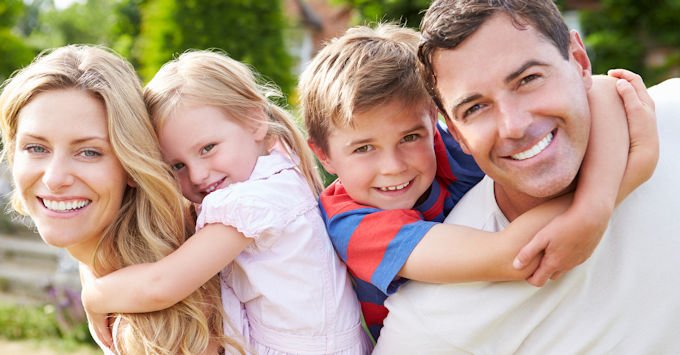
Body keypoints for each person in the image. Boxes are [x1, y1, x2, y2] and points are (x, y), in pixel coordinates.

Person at [297, 23, 647, 341]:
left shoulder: (444, 146)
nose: (393, 166)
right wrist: (619, 183)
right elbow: (514, 257)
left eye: (410, 137)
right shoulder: (354, 225)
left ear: (434, 120)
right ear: (323, 155)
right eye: (364, 148)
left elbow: (599, 89)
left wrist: (596, 199)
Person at [375, 0, 680, 353]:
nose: (514, 125)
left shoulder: (670, 119)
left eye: (529, 79)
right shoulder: (434, 318)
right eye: (475, 108)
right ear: (455, 133)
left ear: (579, 63)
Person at [79, 50, 372, 355]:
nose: (198, 175)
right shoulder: (278, 172)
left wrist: (94, 296)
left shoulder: (252, 203)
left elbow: (161, 285)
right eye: (177, 166)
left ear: (255, 120)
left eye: (207, 148)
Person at [0, 45, 243, 354]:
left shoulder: (163, 315)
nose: (54, 178)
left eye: (89, 152)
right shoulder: (105, 266)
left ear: (131, 165)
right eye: (36, 148)